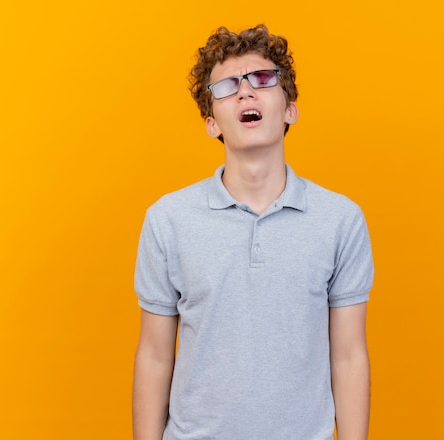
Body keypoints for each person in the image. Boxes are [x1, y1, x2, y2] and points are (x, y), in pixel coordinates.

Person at [133, 24, 374, 440]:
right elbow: (154, 357)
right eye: (226, 86)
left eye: (262, 79)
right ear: (212, 123)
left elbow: (349, 357)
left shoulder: (340, 219)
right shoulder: (168, 219)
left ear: (290, 109)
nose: (245, 91)